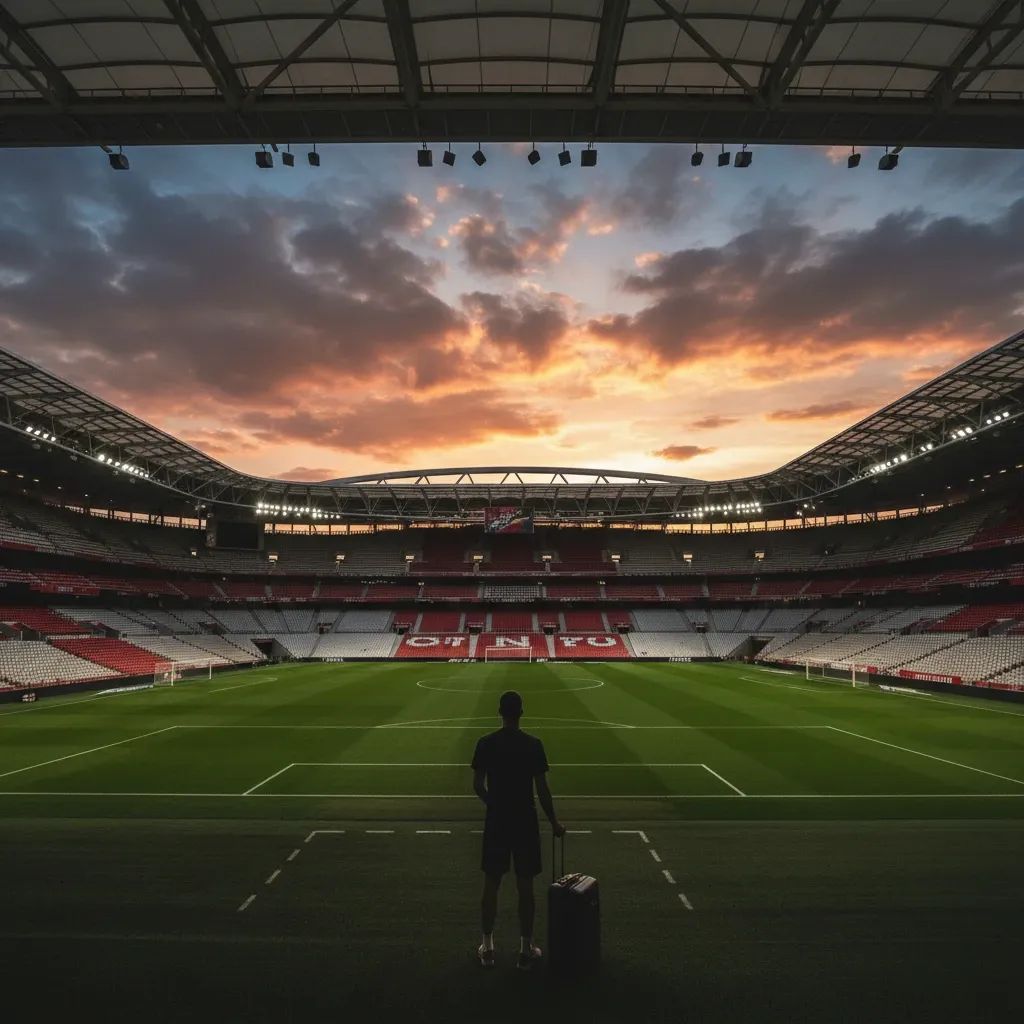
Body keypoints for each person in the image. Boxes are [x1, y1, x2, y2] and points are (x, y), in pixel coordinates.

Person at [471, 689, 565, 970]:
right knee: (525, 885)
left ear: (499, 712)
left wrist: (494, 804)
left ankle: (487, 947)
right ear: (521, 713)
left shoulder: (485, 743)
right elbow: (542, 790)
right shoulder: (533, 745)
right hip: (525, 819)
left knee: (492, 883)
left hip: (497, 820)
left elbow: (477, 784)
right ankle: (525, 950)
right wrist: (555, 823)